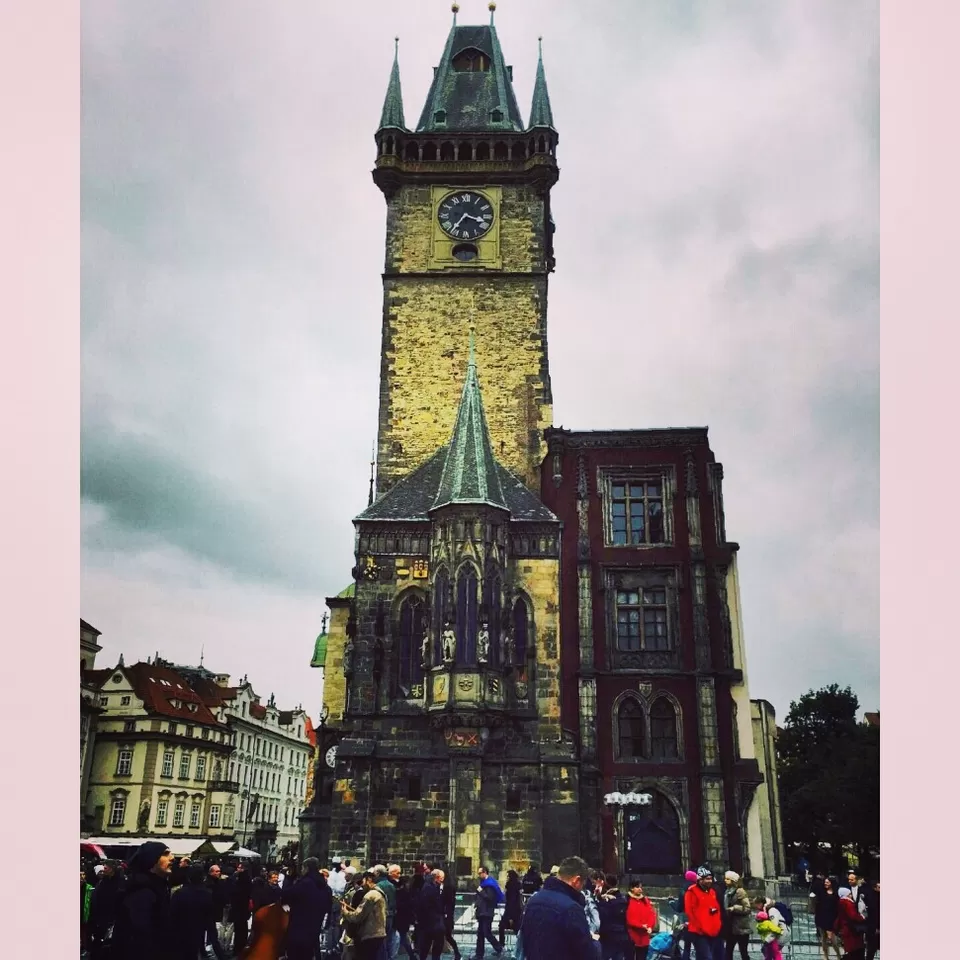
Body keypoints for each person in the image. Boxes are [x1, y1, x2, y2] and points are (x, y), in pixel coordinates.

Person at [517, 855, 597, 960]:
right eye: (582, 884)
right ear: (577, 880)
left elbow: (525, 939)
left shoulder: (534, 900)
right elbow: (588, 954)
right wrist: (595, 942)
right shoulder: (572, 908)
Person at [112, 840, 174, 960]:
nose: (172, 858)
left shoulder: (157, 887)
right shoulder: (142, 893)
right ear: (151, 860)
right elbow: (140, 939)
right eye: (165, 854)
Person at [283, 857, 332, 960]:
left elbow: (287, 895)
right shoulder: (325, 886)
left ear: (307, 868)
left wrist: (288, 878)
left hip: (299, 930)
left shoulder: (305, 883)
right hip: (314, 930)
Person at [170, 865, 215, 960]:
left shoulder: (178, 893)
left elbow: (172, 914)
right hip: (197, 933)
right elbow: (209, 919)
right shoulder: (207, 894)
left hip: (179, 933)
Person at [341, 869, 388, 960]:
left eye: (362, 881)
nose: (362, 884)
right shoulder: (380, 892)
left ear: (368, 879)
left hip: (370, 935)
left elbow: (358, 916)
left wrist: (345, 911)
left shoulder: (370, 895)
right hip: (379, 933)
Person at [684, 867, 723, 960]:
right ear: (700, 880)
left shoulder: (712, 892)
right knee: (707, 957)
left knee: (703, 956)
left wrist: (717, 926)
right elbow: (690, 912)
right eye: (707, 879)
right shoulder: (691, 892)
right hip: (699, 932)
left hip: (712, 931)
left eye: (710, 878)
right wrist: (699, 927)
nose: (710, 881)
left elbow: (716, 909)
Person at [89, 860, 126, 960]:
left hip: (112, 920)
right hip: (101, 919)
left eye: (106, 868)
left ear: (112, 869)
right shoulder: (102, 882)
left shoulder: (120, 883)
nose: (103, 870)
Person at [415, 869, 448, 960]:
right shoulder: (430, 888)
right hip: (432, 921)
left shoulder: (430, 886)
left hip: (431, 921)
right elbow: (429, 904)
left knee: (428, 944)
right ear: (437, 878)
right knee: (429, 944)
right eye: (441, 878)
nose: (442, 880)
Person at [473, 865, 504, 958]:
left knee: (486, 933)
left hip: (487, 912)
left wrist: (479, 889)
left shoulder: (490, 884)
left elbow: (489, 897)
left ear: (485, 872)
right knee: (481, 934)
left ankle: (498, 948)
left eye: (480, 873)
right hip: (482, 912)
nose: (478, 875)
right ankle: (479, 954)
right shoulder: (484, 883)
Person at [597, 874, 631, 960]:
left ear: (605, 884)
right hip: (622, 935)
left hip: (608, 937)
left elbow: (602, 917)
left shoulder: (606, 901)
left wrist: (599, 900)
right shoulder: (623, 899)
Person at [809, 876, 842, 960]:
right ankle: (825, 956)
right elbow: (814, 897)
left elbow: (837, 906)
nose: (825, 884)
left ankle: (838, 955)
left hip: (831, 917)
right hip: (821, 916)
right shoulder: (821, 891)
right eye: (825, 882)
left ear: (831, 883)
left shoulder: (836, 893)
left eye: (827, 882)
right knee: (823, 938)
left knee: (832, 938)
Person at [624, 877, 657, 960]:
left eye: (641, 887)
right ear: (632, 888)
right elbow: (628, 918)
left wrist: (649, 926)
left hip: (644, 936)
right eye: (638, 887)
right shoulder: (626, 900)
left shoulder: (645, 900)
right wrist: (641, 926)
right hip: (631, 936)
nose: (640, 889)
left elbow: (651, 914)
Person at [721, 872, 751, 960]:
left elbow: (747, 908)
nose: (725, 880)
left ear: (733, 880)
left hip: (741, 927)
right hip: (730, 926)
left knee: (743, 952)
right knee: (728, 950)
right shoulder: (727, 891)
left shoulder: (740, 891)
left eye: (727, 879)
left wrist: (734, 908)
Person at [203, 864, 229, 960]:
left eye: (219, 871)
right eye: (216, 871)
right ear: (211, 872)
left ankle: (215, 954)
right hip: (207, 912)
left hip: (213, 912)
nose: (219, 873)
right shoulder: (208, 884)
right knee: (210, 934)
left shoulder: (219, 883)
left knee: (212, 935)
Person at [833, 888, 865, 960]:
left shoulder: (841, 902)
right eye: (849, 894)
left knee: (851, 950)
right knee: (855, 950)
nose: (851, 895)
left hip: (846, 929)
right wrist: (862, 918)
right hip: (852, 930)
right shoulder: (848, 903)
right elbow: (853, 915)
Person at [229, 860, 253, 956]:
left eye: (239, 867)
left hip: (239, 908)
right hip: (244, 909)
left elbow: (236, 892)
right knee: (242, 928)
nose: (237, 869)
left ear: (243, 868)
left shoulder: (240, 879)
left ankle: (237, 949)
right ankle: (241, 947)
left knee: (239, 929)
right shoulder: (247, 879)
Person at [440, 867, 463, 960]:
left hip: (446, 915)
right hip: (447, 915)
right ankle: (456, 953)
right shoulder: (447, 885)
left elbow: (448, 902)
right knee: (447, 936)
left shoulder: (448, 887)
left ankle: (457, 953)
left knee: (447, 936)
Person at [498, 869, 523, 952]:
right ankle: (522, 946)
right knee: (517, 930)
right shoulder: (518, 884)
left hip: (510, 911)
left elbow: (510, 900)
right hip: (517, 910)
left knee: (502, 926)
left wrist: (510, 917)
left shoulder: (510, 885)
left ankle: (502, 944)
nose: (507, 877)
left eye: (508, 876)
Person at [395, 874, 419, 960]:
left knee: (402, 938)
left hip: (401, 918)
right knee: (403, 938)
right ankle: (411, 955)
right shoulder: (405, 892)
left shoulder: (401, 892)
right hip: (403, 918)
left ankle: (411, 955)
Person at [863, 879, 879, 960]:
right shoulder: (871, 897)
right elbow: (872, 914)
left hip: (876, 927)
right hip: (873, 928)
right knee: (871, 949)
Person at [82, 868, 95, 954]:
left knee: (85, 934)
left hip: (85, 915)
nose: (81, 877)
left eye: (83, 875)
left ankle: (85, 949)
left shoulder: (89, 888)